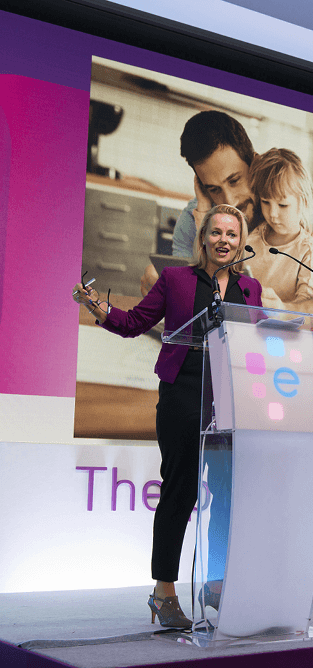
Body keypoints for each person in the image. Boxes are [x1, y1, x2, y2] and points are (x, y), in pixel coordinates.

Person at [74, 204, 262, 628]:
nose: (224, 241)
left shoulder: (250, 290)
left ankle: (215, 585)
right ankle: (164, 591)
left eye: (232, 234)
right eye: (216, 233)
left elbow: (256, 342)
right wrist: (99, 310)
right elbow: (135, 322)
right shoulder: (176, 280)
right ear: (204, 239)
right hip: (183, 395)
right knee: (181, 493)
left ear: (241, 241)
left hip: (230, 402)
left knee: (228, 496)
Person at [141, 110, 313, 318]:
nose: (230, 201)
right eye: (214, 189)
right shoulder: (194, 217)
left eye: (235, 180)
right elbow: (187, 299)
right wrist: (162, 290)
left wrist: (287, 311)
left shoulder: (307, 219)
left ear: (255, 164)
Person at [246, 148, 313, 309]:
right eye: (266, 202)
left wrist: (282, 310)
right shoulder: (252, 237)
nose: (272, 214)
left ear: (303, 202)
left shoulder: (307, 251)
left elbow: (306, 307)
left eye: (282, 205)